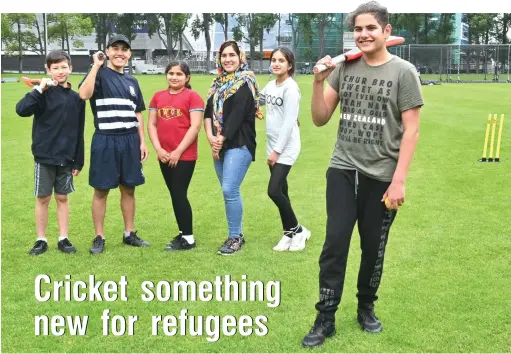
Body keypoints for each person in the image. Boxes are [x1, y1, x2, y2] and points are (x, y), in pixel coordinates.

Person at [301, 1, 424, 348]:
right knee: (335, 244)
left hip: (382, 176)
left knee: (373, 248)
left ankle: (366, 306)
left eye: (370, 28)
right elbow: (320, 117)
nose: (363, 34)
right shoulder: (345, 68)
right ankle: (325, 316)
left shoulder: (404, 73)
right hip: (343, 169)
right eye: (357, 29)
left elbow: (411, 130)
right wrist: (318, 82)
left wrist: (399, 179)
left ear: (386, 31)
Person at [78, 34, 150, 255]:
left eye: (124, 49)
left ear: (129, 54)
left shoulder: (132, 82)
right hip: (105, 140)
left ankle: (129, 233)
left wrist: (142, 141)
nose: (120, 53)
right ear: (107, 52)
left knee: (129, 189)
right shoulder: (98, 74)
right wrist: (95, 66)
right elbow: (83, 94)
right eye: (115, 48)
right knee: (101, 190)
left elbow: (137, 112)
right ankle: (99, 236)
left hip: (129, 140)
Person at [15, 50, 85, 256]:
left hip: (67, 157)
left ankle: (63, 238)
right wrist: (38, 88)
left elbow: (79, 130)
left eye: (64, 67)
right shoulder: (42, 93)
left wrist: (78, 161)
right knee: (43, 198)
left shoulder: (77, 98)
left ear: (71, 69)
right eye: (55, 68)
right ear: (48, 70)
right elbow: (21, 110)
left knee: (62, 198)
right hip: (44, 156)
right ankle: (41, 239)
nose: (60, 71)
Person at [203, 40, 263, 255]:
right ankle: (236, 234)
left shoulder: (246, 81)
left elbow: (238, 114)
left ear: (240, 58)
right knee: (228, 191)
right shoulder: (217, 83)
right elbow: (208, 111)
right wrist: (211, 137)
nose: (228, 59)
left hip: (239, 143)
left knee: (230, 189)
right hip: (219, 144)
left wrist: (221, 138)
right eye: (224, 55)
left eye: (232, 55)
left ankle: (235, 237)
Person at [147, 61, 204, 251]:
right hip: (164, 155)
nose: (174, 77)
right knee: (174, 194)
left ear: (187, 77)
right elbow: (152, 125)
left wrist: (178, 152)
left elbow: (195, 127)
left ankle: (188, 239)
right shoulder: (158, 96)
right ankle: (182, 232)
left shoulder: (192, 97)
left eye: (179, 74)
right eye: (170, 73)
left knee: (179, 193)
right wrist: (159, 149)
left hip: (184, 155)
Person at [259, 47, 311, 252]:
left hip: (286, 146)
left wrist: (277, 151)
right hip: (272, 143)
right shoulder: (271, 85)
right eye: (273, 60)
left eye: (281, 60)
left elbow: (290, 122)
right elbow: (258, 99)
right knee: (282, 191)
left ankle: (298, 231)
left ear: (290, 65)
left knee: (273, 190)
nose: (276, 64)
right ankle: (288, 233)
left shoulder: (290, 88)